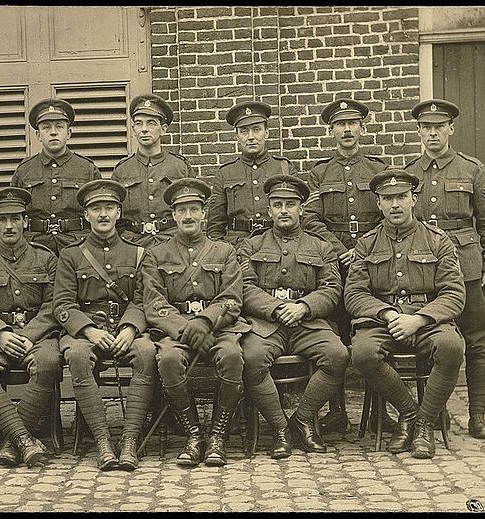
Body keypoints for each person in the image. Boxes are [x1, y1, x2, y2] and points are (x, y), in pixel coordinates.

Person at [346, 169, 466, 459]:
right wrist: (386, 313)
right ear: (378, 204)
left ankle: (424, 425)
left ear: (414, 199)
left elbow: (454, 293)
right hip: (382, 321)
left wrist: (419, 319)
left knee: (451, 347)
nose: (395, 204)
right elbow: (354, 294)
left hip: (425, 320)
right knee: (361, 353)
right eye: (388, 198)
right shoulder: (366, 244)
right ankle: (410, 412)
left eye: (401, 197)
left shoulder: (438, 241)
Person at [404, 99, 485, 440]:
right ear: (418, 132)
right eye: (426, 128)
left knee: (475, 341)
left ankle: (477, 417)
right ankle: (434, 415)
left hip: (468, 267)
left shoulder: (471, 169)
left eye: (439, 127)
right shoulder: (409, 173)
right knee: (429, 341)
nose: (433, 133)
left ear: (450, 129)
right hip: (425, 268)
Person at [143, 178, 251, 467]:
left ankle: (217, 434)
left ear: (204, 214)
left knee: (232, 355)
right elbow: (154, 305)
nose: (188, 216)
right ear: (173, 215)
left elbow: (232, 299)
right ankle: (193, 434)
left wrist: (205, 321)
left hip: (218, 329)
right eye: (182, 210)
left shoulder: (225, 251)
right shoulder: (157, 254)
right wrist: (187, 330)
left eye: (194, 209)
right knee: (167, 358)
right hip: (176, 330)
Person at [301, 98, 394, 434]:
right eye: (340, 124)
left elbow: (388, 214)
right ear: (331, 131)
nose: (347, 130)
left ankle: (383, 413)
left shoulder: (378, 169)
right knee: (335, 333)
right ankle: (336, 411)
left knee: (374, 331)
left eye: (353, 123)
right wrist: (341, 250)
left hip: (372, 263)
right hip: (335, 263)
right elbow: (310, 217)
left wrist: (364, 249)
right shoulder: (318, 173)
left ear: (362, 128)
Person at [238, 175, 348, 456]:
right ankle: (279, 428)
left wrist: (303, 307)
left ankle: (301, 420)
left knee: (338, 355)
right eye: (277, 205)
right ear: (269, 210)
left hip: (308, 322)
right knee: (250, 358)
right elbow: (245, 287)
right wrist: (274, 307)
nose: (284, 210)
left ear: (301, 209)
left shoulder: (321, 246)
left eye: (290, 204)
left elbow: (332, 289)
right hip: (265, 324)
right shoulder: (251, 246)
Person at [52, 179, 157, 471]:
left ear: (119, 213)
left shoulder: (137, 254)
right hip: (87, 330)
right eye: (95, 208)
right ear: (86, 215)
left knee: (147, 352)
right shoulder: (70, 255)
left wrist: (130, 328)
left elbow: (143, 299)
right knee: (77, 355)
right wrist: (88, 330)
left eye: (109, 208)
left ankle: (129, 441)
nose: (103, 215)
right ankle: (102, 442)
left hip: (126, 329)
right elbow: (62, 304)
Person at [0, 187, 62, 467]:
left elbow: (55, 305)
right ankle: (24, 440)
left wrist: (28, 335)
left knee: (49, 362)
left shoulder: (46, 259)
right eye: (2, 219)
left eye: (15, 218)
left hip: (37, 335)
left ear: (25, 221)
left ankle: (11, 441)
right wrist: (0, 333)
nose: (9, 226)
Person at [11, 98, 101, 256]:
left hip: (78, 246)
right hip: (34, 247)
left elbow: (99, 212)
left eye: (59, 127)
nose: (53, 132)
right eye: (46, 128)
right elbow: (14, 213)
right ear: (38, 135)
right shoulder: (24, 171)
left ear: (69, 133)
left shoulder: (87, 169)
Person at [206, 100, 297, 245]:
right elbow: (215, 226)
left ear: (266, 132)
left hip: (277, 243)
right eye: (244, 131)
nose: (251, 137)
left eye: (256, 129)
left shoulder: (284, 168)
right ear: (237, 137)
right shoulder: (225, 173)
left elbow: (297, 217)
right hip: (238, 246)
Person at [111, 93, 195, 247]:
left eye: (151, 123)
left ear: (163, 129)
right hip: (133, 244)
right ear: (133, 129)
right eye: (138, 123)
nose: (144, 129)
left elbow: (193, 211)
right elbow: (114, 216)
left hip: (172, 242)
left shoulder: (180, 167)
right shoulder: (122, 170)